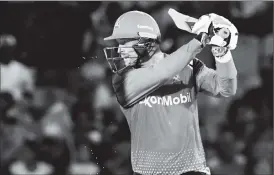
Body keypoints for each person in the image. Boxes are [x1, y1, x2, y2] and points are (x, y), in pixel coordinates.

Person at [103, 10, 238, 175]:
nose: (120, 50)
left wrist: (222, 52)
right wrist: (202, 38)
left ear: (146, 41)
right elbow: (163, 72)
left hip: (191, 170)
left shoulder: (191, 67)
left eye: (124, 42)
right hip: (148, 172)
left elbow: (227, 89)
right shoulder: (123, 78)